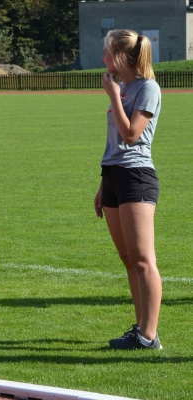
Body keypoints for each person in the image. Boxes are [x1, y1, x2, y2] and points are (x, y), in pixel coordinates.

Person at [95, 29, 162, 350]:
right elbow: (113, 145)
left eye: (106, 53)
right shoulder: (126, 88)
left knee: (143, 259)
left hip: (136, 176)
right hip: (113, 177)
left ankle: (149, 336)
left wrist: (113, 96)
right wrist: (102, 186)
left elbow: (131, 135)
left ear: (120, 57)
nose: (103, 59)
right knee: (128, 260)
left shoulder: (147, 88)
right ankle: (141, 329)